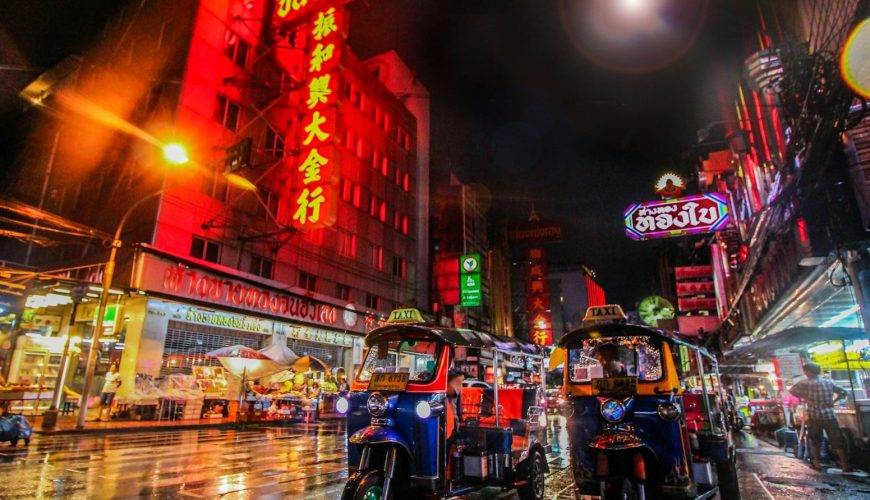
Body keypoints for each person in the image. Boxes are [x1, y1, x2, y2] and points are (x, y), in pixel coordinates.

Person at [789, 362, 851, 472]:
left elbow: (792, 390)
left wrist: (805, 397)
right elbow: (844, 392)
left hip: (814, 415)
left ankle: (817, 464)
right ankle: (845, 466)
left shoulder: (805, 383)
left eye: (805, 371)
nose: (805, 373)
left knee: (816, 440)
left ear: (808, 372)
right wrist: (834, 401)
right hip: (829, 415)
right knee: (837, 441)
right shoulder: (829, 382)